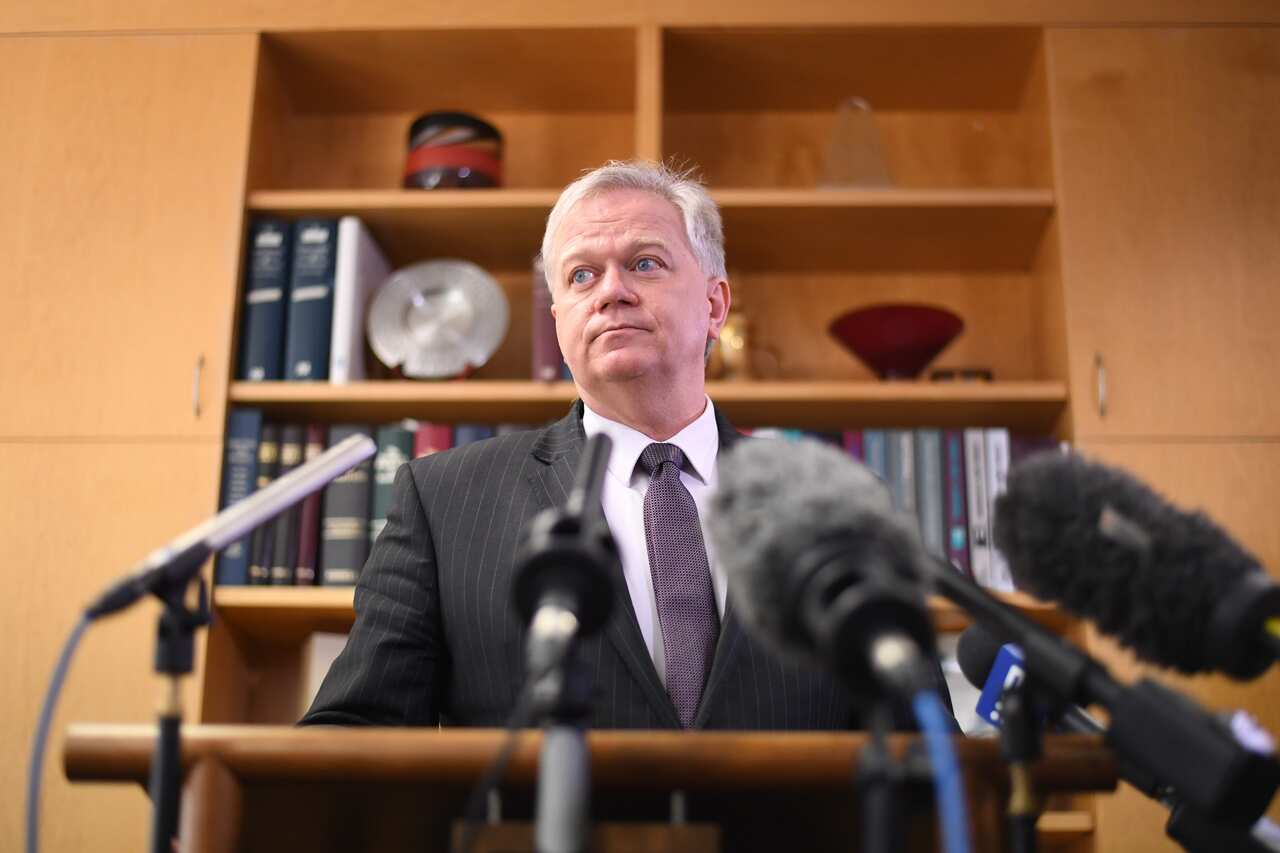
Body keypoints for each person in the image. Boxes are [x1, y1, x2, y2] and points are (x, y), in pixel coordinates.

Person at [301, 160, 951, 729]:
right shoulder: (442, 502)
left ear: (716, 302)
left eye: (644, 262)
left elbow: (924, 749)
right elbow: (357, 733)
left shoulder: (833, 505)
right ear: (559, 322)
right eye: (581, 276)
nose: (612, 290)